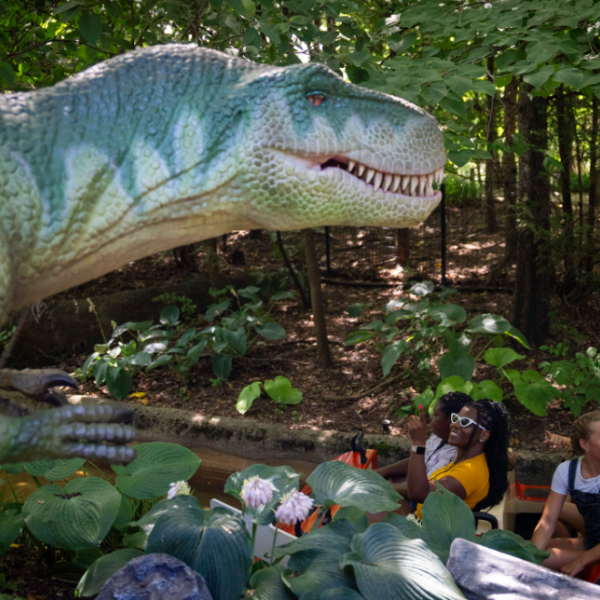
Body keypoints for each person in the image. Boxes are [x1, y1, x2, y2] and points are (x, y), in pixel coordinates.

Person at [407, 399, 511, 519]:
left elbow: (418, 493)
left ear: (483, 435)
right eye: (456, 418)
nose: (455, 425)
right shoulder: (467, 459)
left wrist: (418, 443)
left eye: (465, 422)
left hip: (430, 535)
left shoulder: (470, 472)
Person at [532, 410, 600, 576]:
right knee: (525, 552)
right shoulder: (567, 470)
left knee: (544, 560)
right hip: (593, 541)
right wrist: (530, 556)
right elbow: (547, 521)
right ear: (585, 445)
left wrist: (581, 561)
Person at [375, 392, 471, 498]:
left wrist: (387, 487)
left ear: (450, 422)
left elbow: (422, 491)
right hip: (408, 486)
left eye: (436, 415)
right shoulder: (438, 436)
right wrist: (381, 472)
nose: (430, 419)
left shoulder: (455, 455)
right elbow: (420, 458)